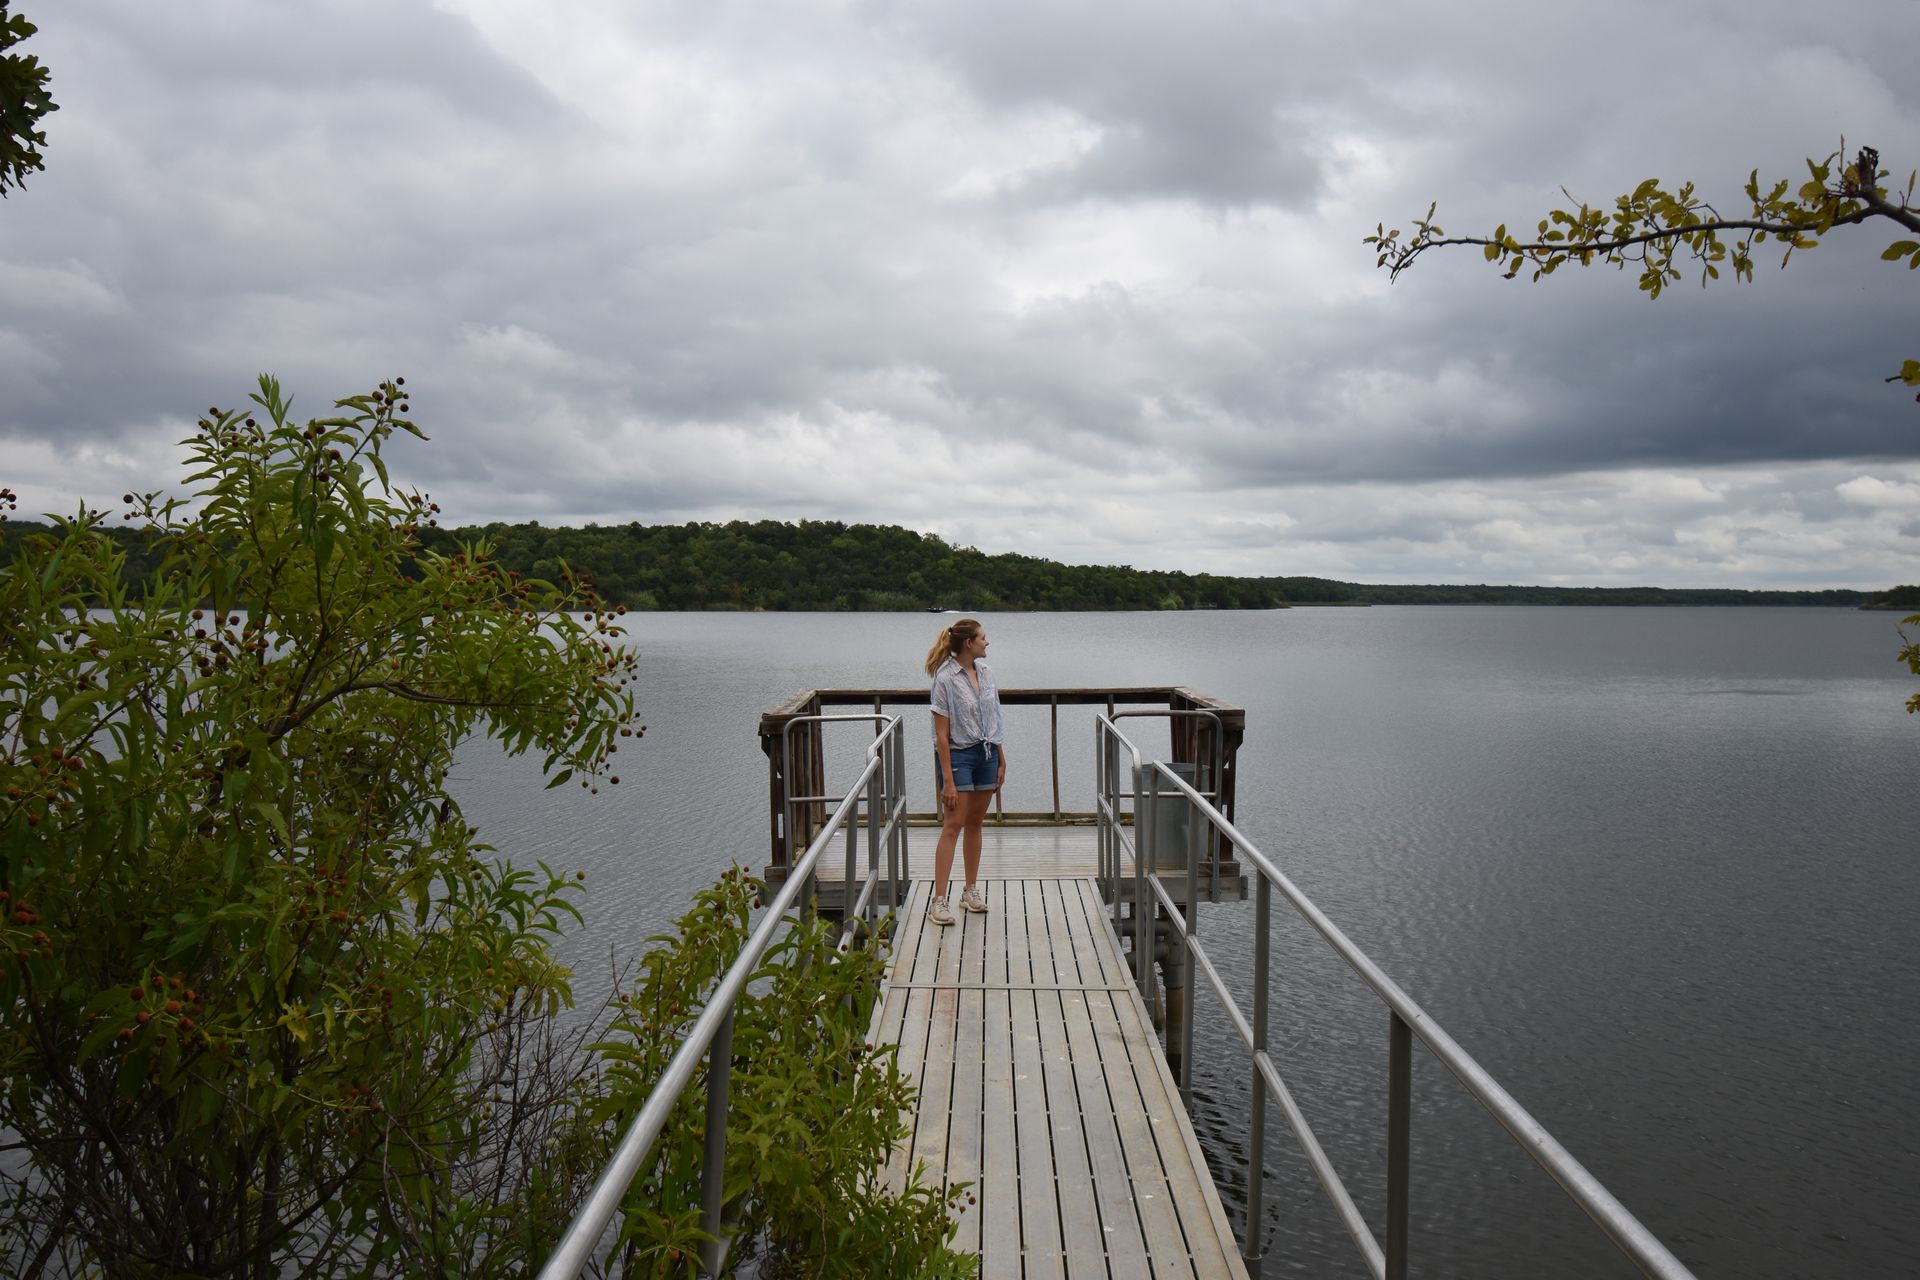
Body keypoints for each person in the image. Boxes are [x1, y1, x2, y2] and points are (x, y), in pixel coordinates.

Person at [924, 617, 1004, 926]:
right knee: (953, 825)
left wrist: (1001, 757)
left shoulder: (987, 673)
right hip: (959, 756)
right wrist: (948, 781)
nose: (987, 642)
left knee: (975, 824)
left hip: (987, 754)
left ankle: (969, 891)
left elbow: (995, 718)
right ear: (968, 643)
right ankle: (938, 901)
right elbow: (941, 735)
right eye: (983, 638)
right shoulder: (945, 679)